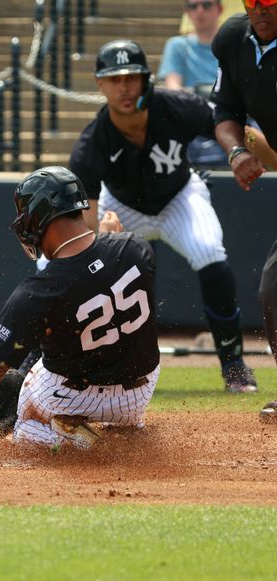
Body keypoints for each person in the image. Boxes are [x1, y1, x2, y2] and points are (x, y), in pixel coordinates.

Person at [0, 166, 160, 450]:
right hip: (138, 393)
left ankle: (81, 442)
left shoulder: (38, 291)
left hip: (72, 399)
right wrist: (110, 238)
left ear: (40, 216)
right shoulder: (136, 248)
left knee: (25, 432)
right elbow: (99, 271)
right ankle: (128, 431)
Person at [67, 39, 258, 394]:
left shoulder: (174, 106)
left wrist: (241, 151)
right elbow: (85, 222)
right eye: (114, 79)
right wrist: (96, 249)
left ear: (146, 79)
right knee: (85, 271)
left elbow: (223, 121)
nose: (124, 87)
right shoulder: (92, 142)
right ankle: (76, 367)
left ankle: (234, 366)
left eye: (131, 77)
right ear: (100, 84)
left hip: (179, 196)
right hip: (121, 208)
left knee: (209, 252)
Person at [209, 1, 277, 420]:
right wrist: (235, 150)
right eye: (252, 2)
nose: (260, 10)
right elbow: (225, 111)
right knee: (273, 288)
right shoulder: (232, 39)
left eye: (269, 3)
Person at [158, 0, 227, 165]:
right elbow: (172, 86)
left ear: (220, 9)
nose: (200, 11)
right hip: (192, 118)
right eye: (193, 6)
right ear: (187, 11)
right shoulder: (176, 45)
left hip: (229, 116)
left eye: (206, 5)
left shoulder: (232, 44)